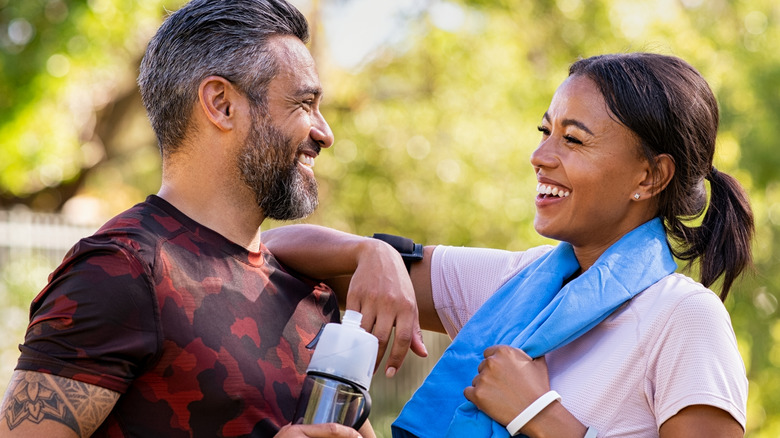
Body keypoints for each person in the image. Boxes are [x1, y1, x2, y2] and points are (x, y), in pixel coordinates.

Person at [262, 53, 754, 437]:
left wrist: (537, 414)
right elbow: (277, 250)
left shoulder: (684, 318)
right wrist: (370, 254)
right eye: (545, 131)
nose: (540, 156)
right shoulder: (517, 284)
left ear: (649, 176)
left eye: (573, 140)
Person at [0, 1, 425, 437]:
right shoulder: (122, 270)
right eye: (304, 103)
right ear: (221, 104)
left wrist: (372, 250)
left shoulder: (308, 292)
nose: (325, 133)